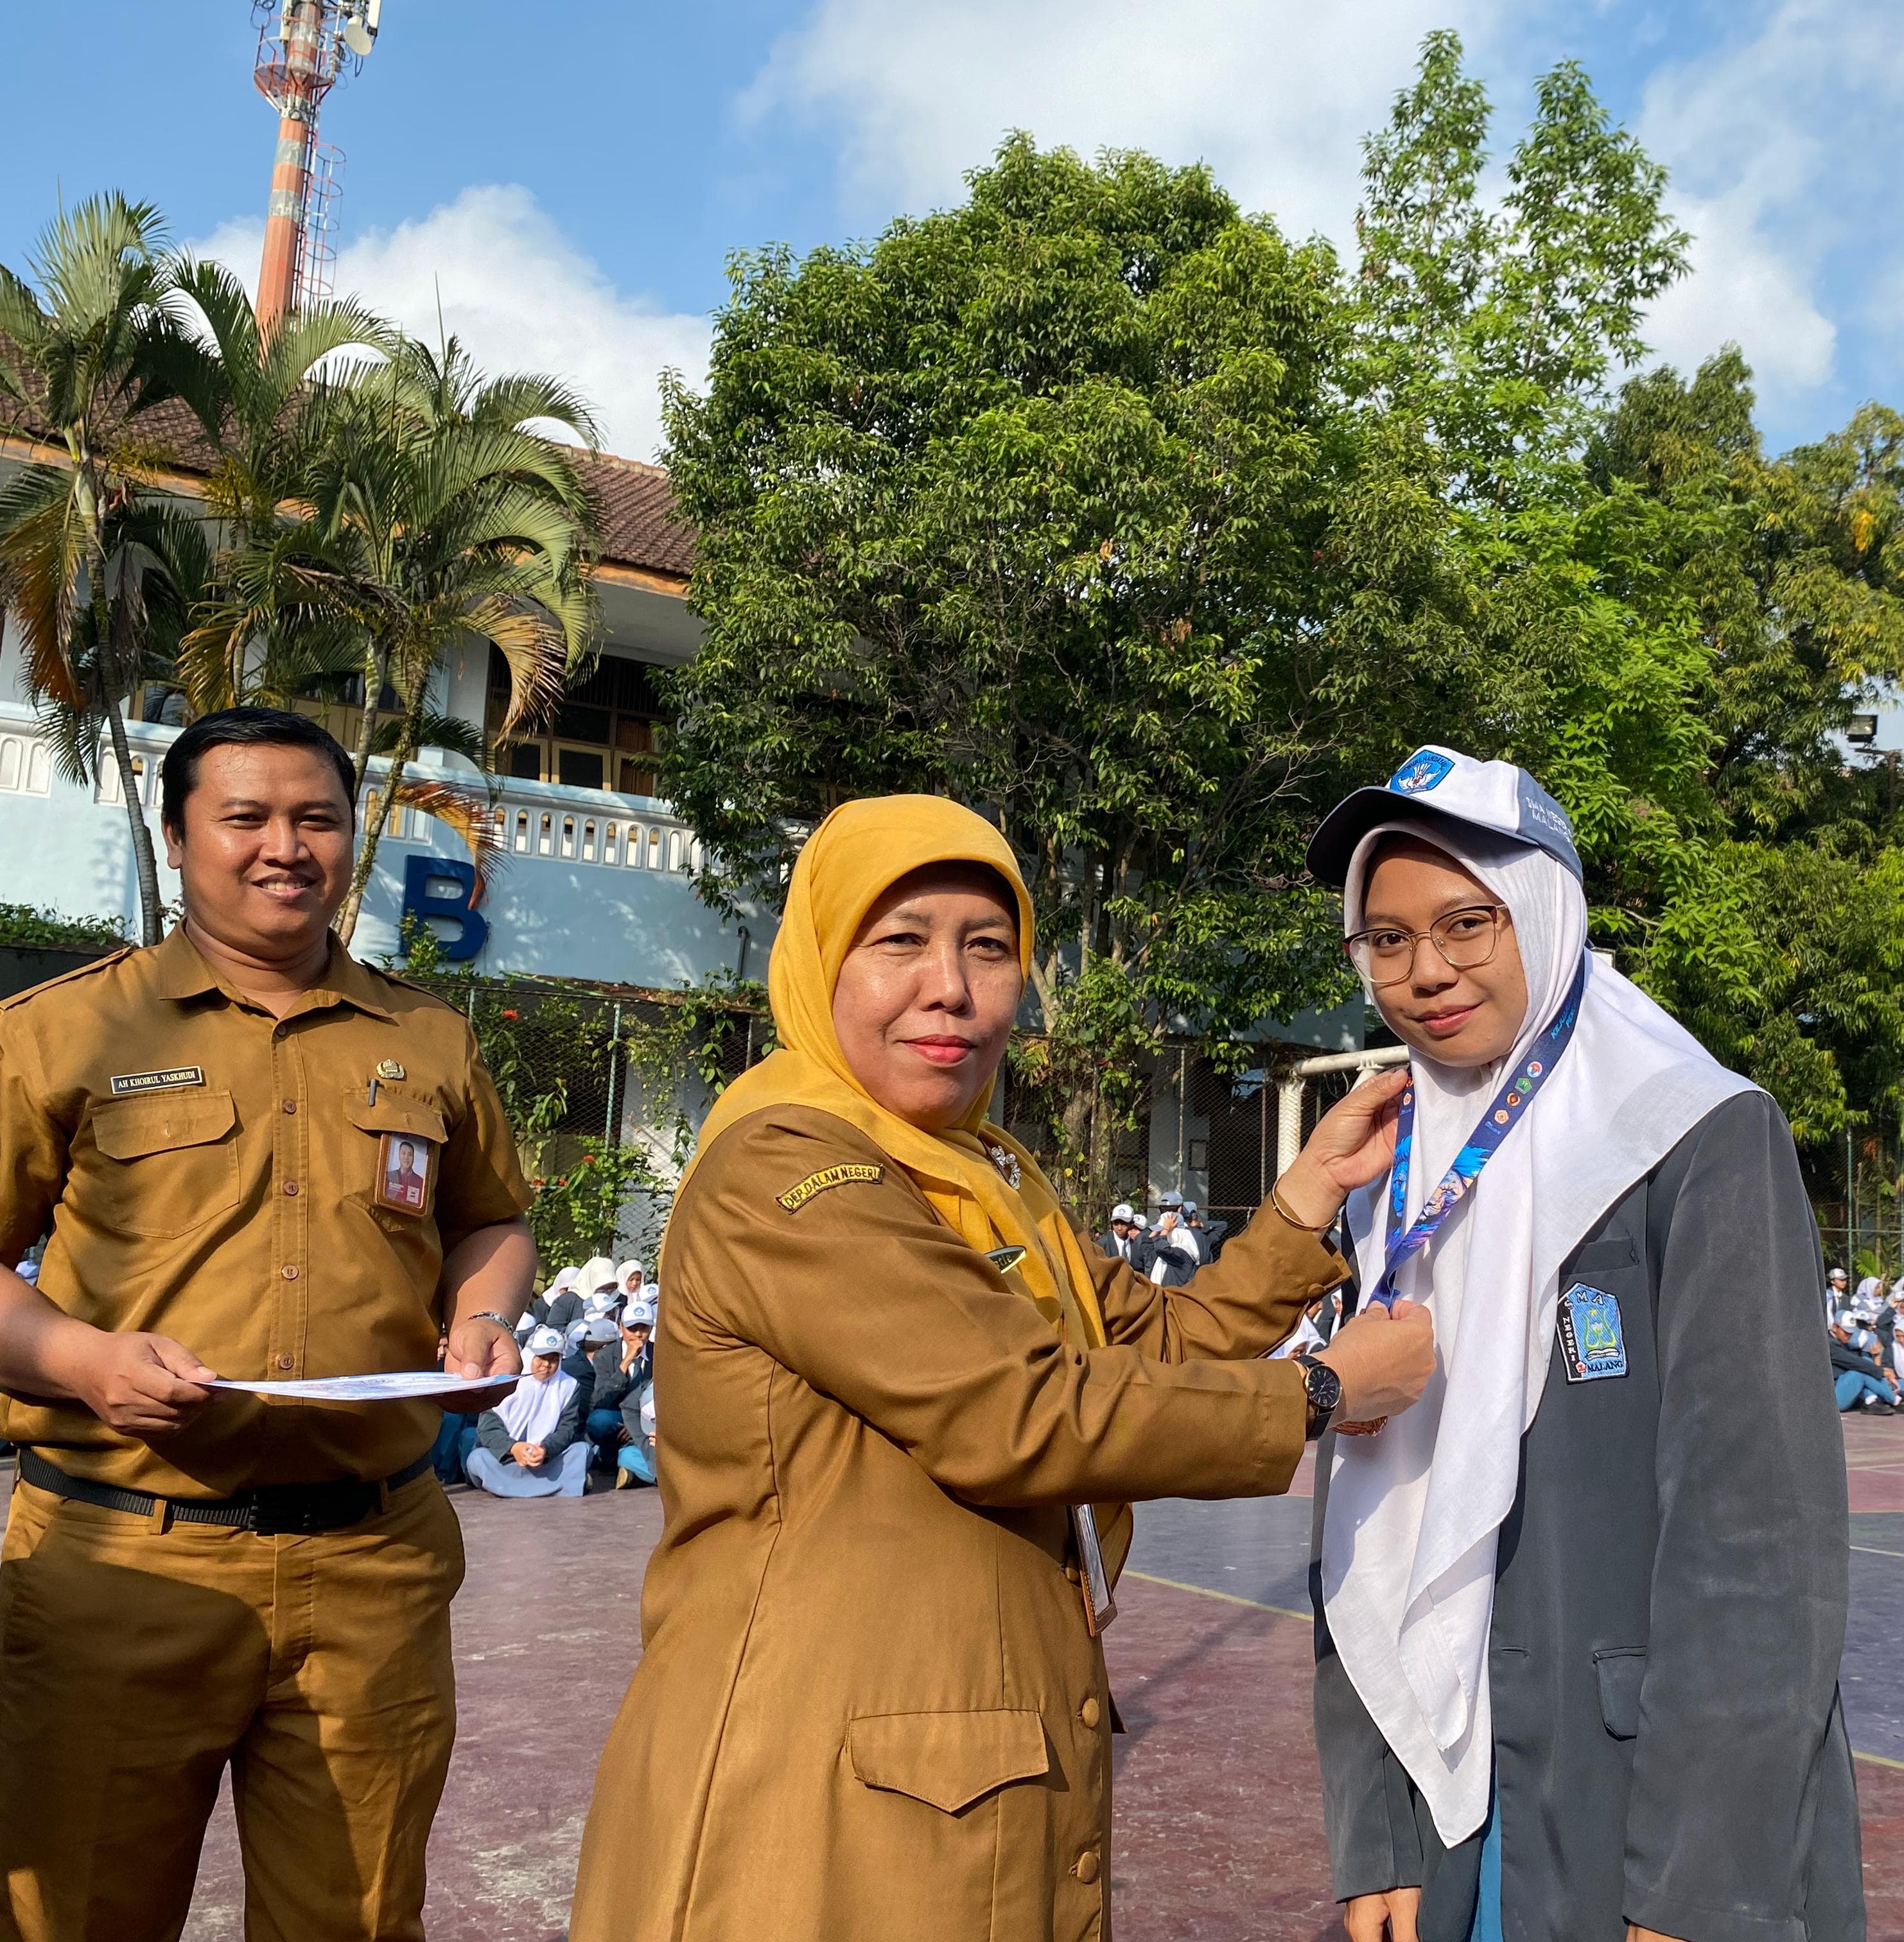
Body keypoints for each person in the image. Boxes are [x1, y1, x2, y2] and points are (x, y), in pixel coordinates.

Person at [570, 794, 1438, 1942]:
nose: (950, 984)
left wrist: (1307, 1195)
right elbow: (1014, 1410)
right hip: (815, 1784)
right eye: (900, 940)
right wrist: (1320, 1392)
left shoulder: (982, 1171)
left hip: (966, 1769)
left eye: (988, 946)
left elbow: (1144, 1346)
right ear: (820, 959)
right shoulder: (786, 1168)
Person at [1304, 748, 1864, 1942]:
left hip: (1641, 1814)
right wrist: (1377, 1831)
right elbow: (1363, 1517)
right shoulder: (1392, 1178)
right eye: (1383, 939)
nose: (1426, 972)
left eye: (1466, 921)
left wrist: (1696, 1888)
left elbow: (1755, 1531)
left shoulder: (1690, 1133)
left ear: (1548, 911)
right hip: (1452, 1810)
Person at [0, 706, 530, 1942]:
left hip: (373, 1567)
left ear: (351, 839)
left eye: (317, 817)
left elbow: (491, 1222)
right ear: (181, 839)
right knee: (75, 1913)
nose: (284, 845)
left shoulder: (428, 1036)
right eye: (244, 817)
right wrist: (80, 1358)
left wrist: (484, 1318)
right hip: (124, 1561)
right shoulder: (63, 1030)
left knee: (353, 1919)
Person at [466, 1327, 587, 1498]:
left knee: (581, 1451)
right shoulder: (504, 1380)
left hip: (544, 1461)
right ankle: (555, 1486)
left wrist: (545, 1450)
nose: (547, 1365)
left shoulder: (568, 1386)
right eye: (542, 1358)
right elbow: (488, 1430)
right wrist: (514, 1448)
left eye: (554, 1359)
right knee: (478, 1458)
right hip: (507, 1459)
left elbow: (567, 1429)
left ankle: (506, 1488)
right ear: (530, 1355)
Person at [588, 1300, 656, 1469]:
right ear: (621, 1327)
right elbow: (601, 1399)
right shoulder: (604, 1356)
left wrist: (636, 1426)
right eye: (632, 1328)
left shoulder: (660, 1354)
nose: (638, 1334)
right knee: (599, 1421)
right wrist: (625, 1363)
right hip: (617, 1417)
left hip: (651, 1419)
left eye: (644, 1328)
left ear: (651, 1329)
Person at [1831, 1320, 1898, 1415]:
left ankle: (1871, 1401)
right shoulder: (1829, 1344)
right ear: (1835, 1328)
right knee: (1860, 1371)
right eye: (1845, 1332)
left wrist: (1877, 1362)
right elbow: (1853, 1362)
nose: (1848, 1336)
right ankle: (1893, 1399)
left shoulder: (1845, 1344)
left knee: (1866, 1363)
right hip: (1831, 1399)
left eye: (1851, 1333)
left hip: (1840, 1388)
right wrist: (1881, 1371)